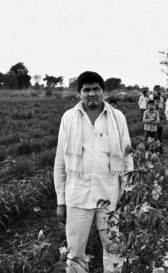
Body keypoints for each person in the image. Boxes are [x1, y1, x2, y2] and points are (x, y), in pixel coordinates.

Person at [54, 71, 134, 272]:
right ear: (79, 93)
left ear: (103, 92)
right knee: (75, 253)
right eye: (86, 90)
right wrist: (60, 201)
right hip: (78, 196)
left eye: (96, 89)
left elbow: (127, 157)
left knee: (114, 248)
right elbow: (60, 161)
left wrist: (128, 191)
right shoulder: (69, 118)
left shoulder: (117, 118)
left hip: (110, 195)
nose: (92, 93)